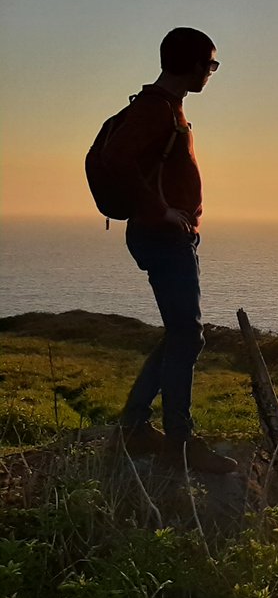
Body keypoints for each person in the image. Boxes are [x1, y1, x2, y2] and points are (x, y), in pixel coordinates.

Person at [106, 27, 237, 474]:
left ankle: (134, 426)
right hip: (163, 237)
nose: (212, 72)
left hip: (166, 235)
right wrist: (160, 210)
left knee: (181, 334)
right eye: (211, 64)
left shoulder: (165, 107)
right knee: (187, 336)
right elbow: (117, 159)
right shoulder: (155, 108)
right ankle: (179, 442)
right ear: (194, 64)